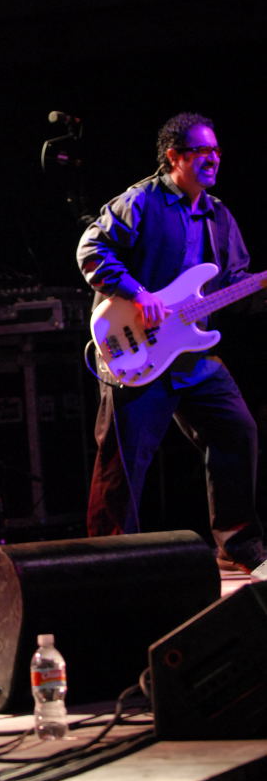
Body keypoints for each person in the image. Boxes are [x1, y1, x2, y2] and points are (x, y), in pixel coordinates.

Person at [77, 112, 267, 577]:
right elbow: (92, 249)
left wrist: (258, 290)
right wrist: (137, 294)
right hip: (137, 349)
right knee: (123, 462)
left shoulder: (218, 215)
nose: (214, 159)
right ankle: (109, 563)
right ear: (174, 156)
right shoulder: (141, 200)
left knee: (237, 432)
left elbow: (233, 283)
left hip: (193, 355)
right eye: (202, 151)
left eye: (216, 151)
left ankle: (238, 545)